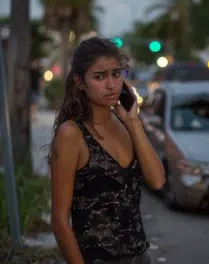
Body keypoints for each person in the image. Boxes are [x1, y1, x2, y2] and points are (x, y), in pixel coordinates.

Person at [48, 36, 165, 264]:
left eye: (116, 73)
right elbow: (59, 221)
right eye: (99, 77)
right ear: (80, 82)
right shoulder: (71, 133)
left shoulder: (125, 125)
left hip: (140, 256)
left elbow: (158, 182)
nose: (111, 84)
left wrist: (133, 123)